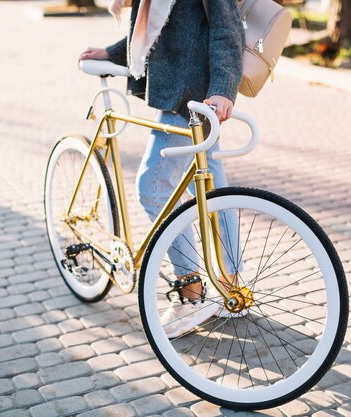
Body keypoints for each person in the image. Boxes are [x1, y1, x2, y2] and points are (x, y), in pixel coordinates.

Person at [79, 0, 245, 338]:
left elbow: (227, 28)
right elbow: (159, 21)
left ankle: (191, 291)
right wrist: (116, 51)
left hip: (193, 95)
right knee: (216, 191)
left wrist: (223, 90)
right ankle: (232, 286)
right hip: (183, 88)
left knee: (154, 189)